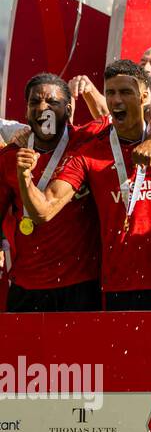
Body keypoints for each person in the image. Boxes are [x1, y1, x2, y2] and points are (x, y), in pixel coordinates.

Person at [17, 61, 151, 311]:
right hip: (116, 286)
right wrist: (24, 176)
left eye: (125, 92)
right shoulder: (89, 149)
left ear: (143, 96)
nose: (115, 99)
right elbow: (43, 211)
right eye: (110, 93)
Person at [0, 75, 105, 312]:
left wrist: (90, 91)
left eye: (52, 102)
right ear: (26, 111)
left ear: (68, 109)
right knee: (24, 350)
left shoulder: (84, 142)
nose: (42, 108)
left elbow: (117, 121)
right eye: (34, 102)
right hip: (27, 285)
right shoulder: (10, 158)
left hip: (80, 285)